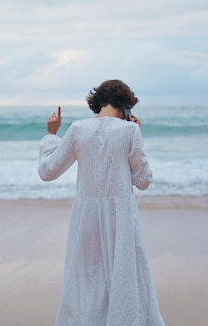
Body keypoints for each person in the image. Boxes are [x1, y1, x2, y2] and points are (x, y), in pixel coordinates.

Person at [38, 80, 165, 326]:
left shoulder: (77, 129)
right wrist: (138, 135)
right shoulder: (130, 131)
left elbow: (47, 171)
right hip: (122, 219)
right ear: (126, 106)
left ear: (97, 103)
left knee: (86, 280)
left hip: (86, 218)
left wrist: (51, 135)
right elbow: (143, 180)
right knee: (125, 279)